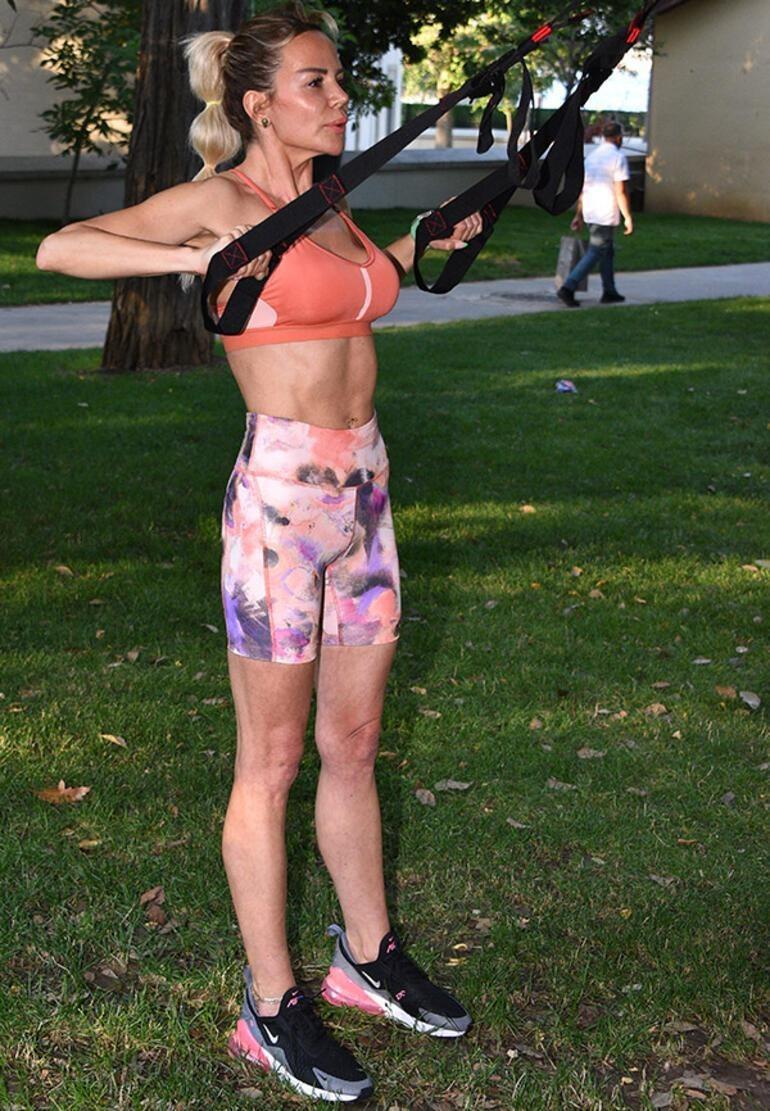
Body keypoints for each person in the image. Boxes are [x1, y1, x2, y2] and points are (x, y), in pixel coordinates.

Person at [36, 3, 481, 1103]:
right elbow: (60, 246)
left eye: (337, 80)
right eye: (317, 82)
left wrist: (423, 248)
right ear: (258, 104)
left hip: (365, 492)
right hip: (281, 505)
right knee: (271, 762)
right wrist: (188, 252)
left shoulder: (331, 202)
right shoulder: (225, 201)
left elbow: (343, 309)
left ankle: (365, 957)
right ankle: (269, 1002)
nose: (339, 98)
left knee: (354, 739)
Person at [556, 120, 634, 308]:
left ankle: (609, 291)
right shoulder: (618, 158)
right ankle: (568, 287)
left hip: (590, 209)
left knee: (607, 250)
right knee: (597, 250)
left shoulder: (591, 158)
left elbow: (582, 189)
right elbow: (620, 191)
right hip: (606, 211)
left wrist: (578, 215)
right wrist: (628, 217)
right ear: (618, 138)